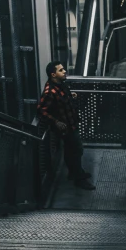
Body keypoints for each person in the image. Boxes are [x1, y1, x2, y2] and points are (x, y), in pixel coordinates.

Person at [37, 61, 95, 190]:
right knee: (77, 149)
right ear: (53, 74)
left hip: (71, 122)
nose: (64, 72)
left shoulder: (60, 85)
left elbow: (61, 100)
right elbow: (41, 110)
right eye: (61, 70)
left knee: (70, 150)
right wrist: (56, 122)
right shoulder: (49, 91)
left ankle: (73, 173)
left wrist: (70, 96)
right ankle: (79, 179)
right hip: (65, 127)